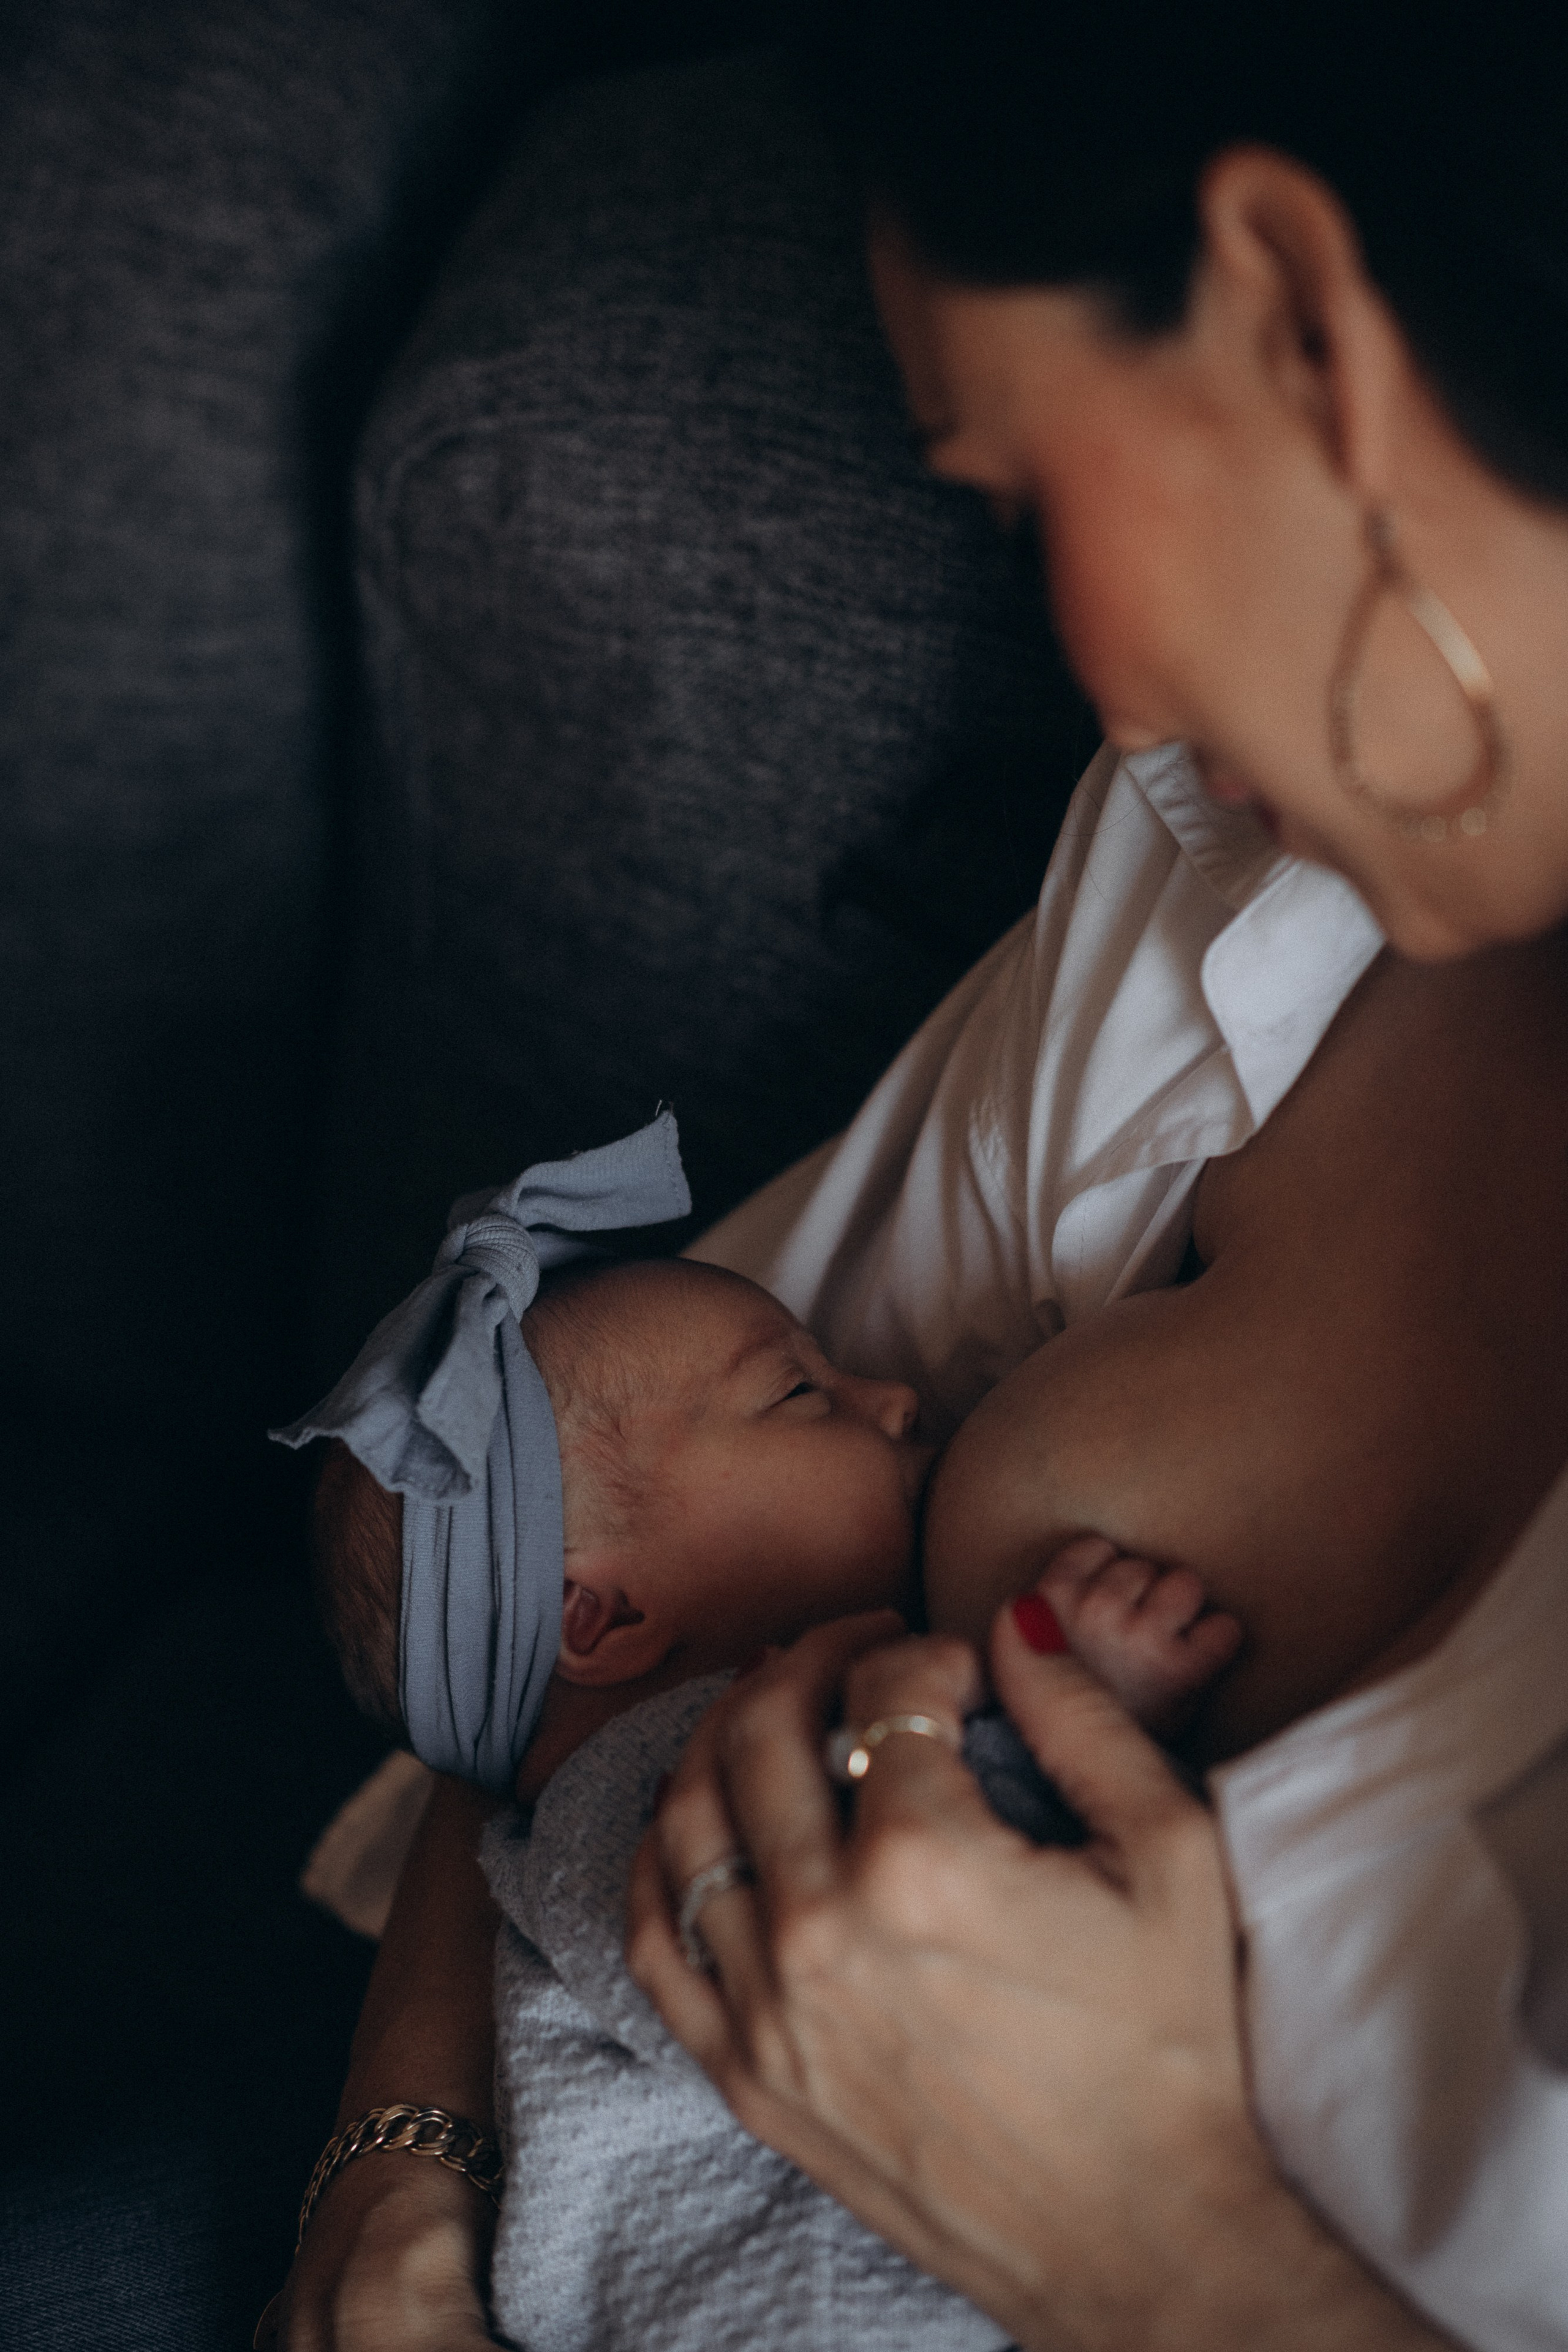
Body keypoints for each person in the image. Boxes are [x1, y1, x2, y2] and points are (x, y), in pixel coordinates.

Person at [274, 1, 1568, 2346]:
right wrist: (386, 2198)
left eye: (1010, 490)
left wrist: (1147, 2242)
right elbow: (534, 1658)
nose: (1116, 693)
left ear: (1297, 317)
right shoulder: (1233, 885)